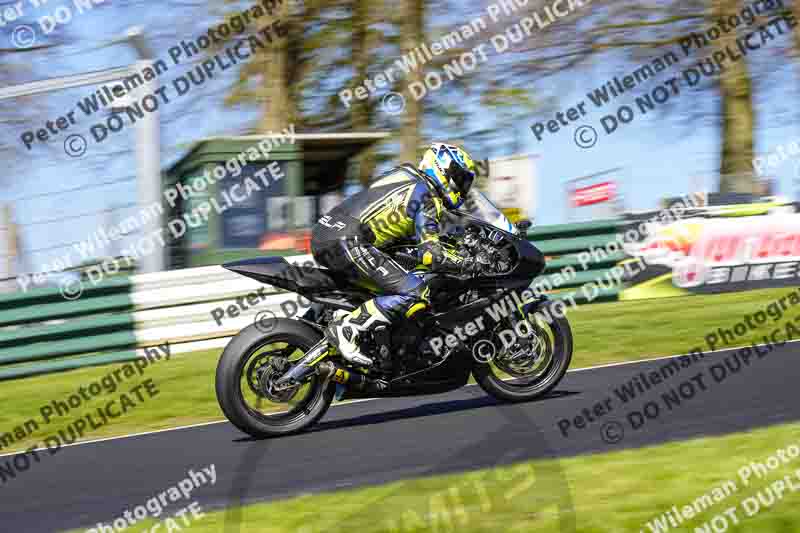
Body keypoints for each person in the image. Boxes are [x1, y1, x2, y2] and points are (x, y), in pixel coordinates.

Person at [310, 142, 478, 366]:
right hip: (348, 241)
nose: (461, 187)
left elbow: (400, 232)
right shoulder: (427, 196)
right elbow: (431, 255)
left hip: (327, 233)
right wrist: (468, 262)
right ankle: (348, 329)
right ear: (443, 168)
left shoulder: (404, 176)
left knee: (391, 282)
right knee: (415, 291)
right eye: (460, 178)